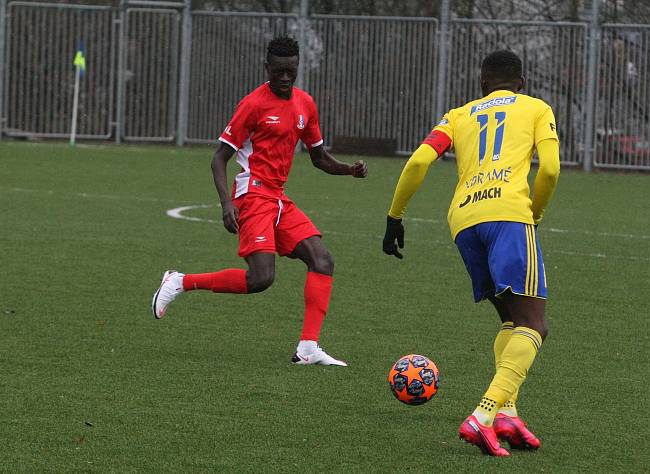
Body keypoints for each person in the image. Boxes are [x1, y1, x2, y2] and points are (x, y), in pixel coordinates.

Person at [382, 50, 560, 456]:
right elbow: (549, 170)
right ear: (523, 81)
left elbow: (418, 162)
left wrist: (395, 217)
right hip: (509, 217)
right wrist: (535, 212)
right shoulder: (536, 108)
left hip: (464, 222)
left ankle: (507, 413)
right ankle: (482, 415)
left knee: (511, 320)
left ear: (482, 83)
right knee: (535, 324)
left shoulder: (458, 115)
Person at [152, 36, 367, 366]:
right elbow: (219, 158)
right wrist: (227, 203)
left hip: (278, 199)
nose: (285, 77)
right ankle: (180, 281)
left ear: (298, 68)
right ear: (267, 67)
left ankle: (308, 348)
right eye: (279, 70)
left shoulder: (305, 105)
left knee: (322, 260)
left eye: (291, 71)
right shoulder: (252, 105)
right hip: (252, 195)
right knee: (261, 279)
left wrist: (349, 170)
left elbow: (319, 157)